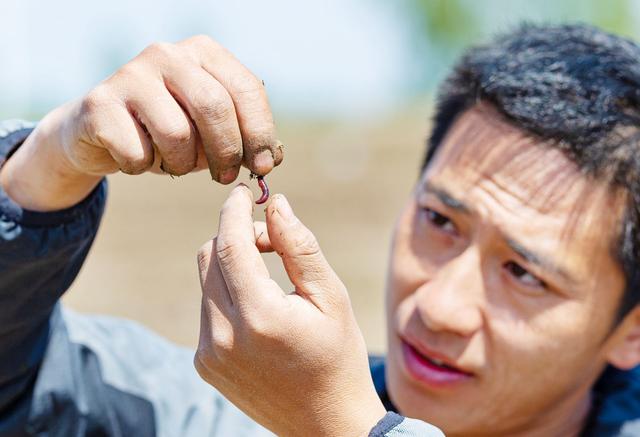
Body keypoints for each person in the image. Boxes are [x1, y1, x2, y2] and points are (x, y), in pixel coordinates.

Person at [2, 22, 640, 437]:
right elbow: (30, 394)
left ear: (631, 332)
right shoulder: (252, 410)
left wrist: (339, 426)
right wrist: (49, 166)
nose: (439, 307)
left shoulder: (307, 412)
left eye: (524, 273)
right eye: (440, 221)